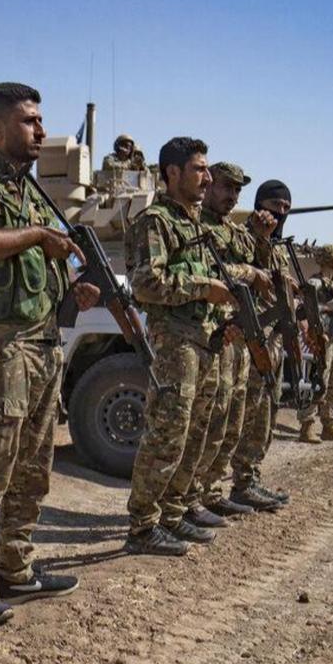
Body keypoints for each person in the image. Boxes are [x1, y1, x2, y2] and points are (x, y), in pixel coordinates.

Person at [0, 82, 98, 627]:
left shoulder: (29, 192)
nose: (41, 131)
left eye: (40, 119)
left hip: (43, 344)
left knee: (34, 466)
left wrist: (71, 294)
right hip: (0, 349)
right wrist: (36, 236)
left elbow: (33, 271)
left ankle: (16, 567)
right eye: (30, 121)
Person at [123, 140, 270, 556]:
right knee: (167, 433)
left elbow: (221, 267)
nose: (207, 178)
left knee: (196, 430)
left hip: (207, 338)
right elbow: (146, 283)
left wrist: (243, 272)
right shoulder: (157, 222)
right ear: (172, 173)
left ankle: (173, 511)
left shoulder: (195, 225)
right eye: (199, 169)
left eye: (208, 170)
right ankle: (142, 525)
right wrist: (205, 289)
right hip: (175, 342)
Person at [186, 162, 272, 520]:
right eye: (226, 187)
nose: (231, 195)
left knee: (230, 420)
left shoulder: (231, 230)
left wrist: (262, 240)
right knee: (205, 419)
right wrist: (249, 272)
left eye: (237, 190)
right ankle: (190, 496)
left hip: (235, 334)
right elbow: (213, 271)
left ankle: (211, 490)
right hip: (210, 333)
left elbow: (260, 264)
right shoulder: (197, 226)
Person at [228, 179, 292, 510]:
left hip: (274, 341)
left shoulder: (277, 245)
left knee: (267, 413)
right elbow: (239, 272)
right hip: (251, 340)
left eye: (286, 209)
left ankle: (248, 479)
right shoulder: (245, 235)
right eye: (275, 206)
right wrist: (258, 237)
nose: (281, 214)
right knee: (247, 414)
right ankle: (238, 483)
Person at [295, 244, 333, 443]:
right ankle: (307, 426)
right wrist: (327, 308)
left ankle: (328, 425)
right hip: (323, 338)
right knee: (317, 381)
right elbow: (303, 308)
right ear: (331, 261)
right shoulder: (315, 283)